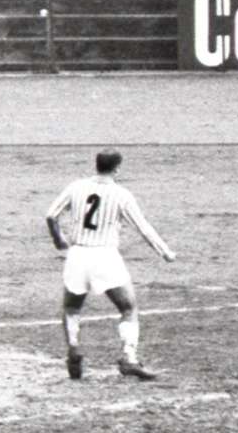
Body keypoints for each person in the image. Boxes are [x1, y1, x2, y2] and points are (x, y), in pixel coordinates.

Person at [45, 150, 176, 381]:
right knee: (128, 308)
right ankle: (129, 358)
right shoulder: (121, 195)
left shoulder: (76, 187)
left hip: (77, 255)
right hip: (106, 257)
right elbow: (143, 228)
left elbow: (51, 215)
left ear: (96, 165)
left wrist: (58, 239)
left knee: (71, 308)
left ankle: (73, 349)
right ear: (117, 168)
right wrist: (165, 252)